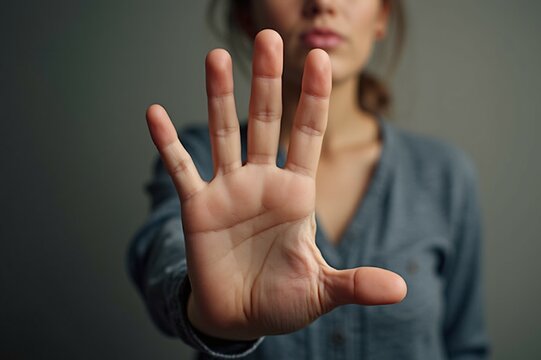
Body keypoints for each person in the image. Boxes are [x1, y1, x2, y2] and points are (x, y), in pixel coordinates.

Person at [128, 0, 490, 359]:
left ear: (381, 17)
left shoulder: (444, 174)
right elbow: (162, 256)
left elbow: (466, 348)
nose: (322, 3)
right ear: (246, 15)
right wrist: (205, 311)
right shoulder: (199, 161)